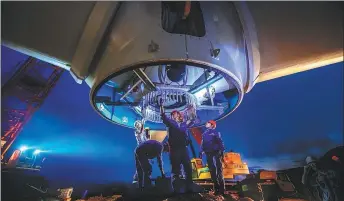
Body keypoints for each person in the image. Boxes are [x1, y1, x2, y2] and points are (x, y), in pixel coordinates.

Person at [158, 98, 195, 193]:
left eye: (175, 113)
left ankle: (189, 188)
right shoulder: (170, 123)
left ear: (179, 115)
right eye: (172, 114)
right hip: (174, 149)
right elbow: (163, 116)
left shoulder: (183, 124)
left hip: (184, 149)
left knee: (188, 168)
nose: (173, 114)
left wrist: (192, 109)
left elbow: (192, 119)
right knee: (176, 170)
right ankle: (176, 190)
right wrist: (161, 105)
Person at [199, 120, 226, 196]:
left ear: (212, 125)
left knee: (219, 172)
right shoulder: (204, 134)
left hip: (216, 153)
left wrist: (222, 152)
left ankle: (222, 190)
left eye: (208, 123)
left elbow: (220, 142)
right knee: (212, 172)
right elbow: (202, 144)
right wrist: (200, 152)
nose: (206, 123)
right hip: (209, 154)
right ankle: (216, 189)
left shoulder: (216, 133)